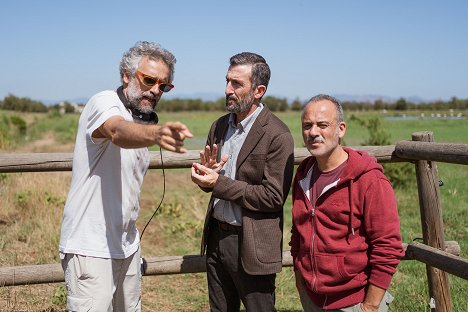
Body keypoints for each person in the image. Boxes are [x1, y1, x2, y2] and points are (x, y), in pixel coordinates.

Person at [59, 41, 192, 311]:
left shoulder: (141, 119)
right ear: (126, 76)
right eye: (149, 80)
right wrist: (156, 134)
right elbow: (117, 131)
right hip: (90, 248)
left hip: (128, 246)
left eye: (163, 86)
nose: (155, 90)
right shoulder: (104, 102)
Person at [191, 52, 295, 311]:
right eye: (227, 81)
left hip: (253, 243)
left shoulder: (277, 134)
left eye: (236, 84)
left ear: (258, 90)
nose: (227, 89)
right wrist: (206, 178)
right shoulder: (219, 126)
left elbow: (272, 197)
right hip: (216, 238)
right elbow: (214, 181)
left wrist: (218, 184)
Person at [289, 94, 404, 312]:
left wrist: (369, 306)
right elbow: (298, 233)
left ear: (341, 129)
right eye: (307, 125)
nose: (313, 132)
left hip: (354, 301)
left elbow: (387, 246)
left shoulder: (369, 180)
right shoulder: (303, 176)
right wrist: (300, 282)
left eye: (322, 125)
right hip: (311, 298)